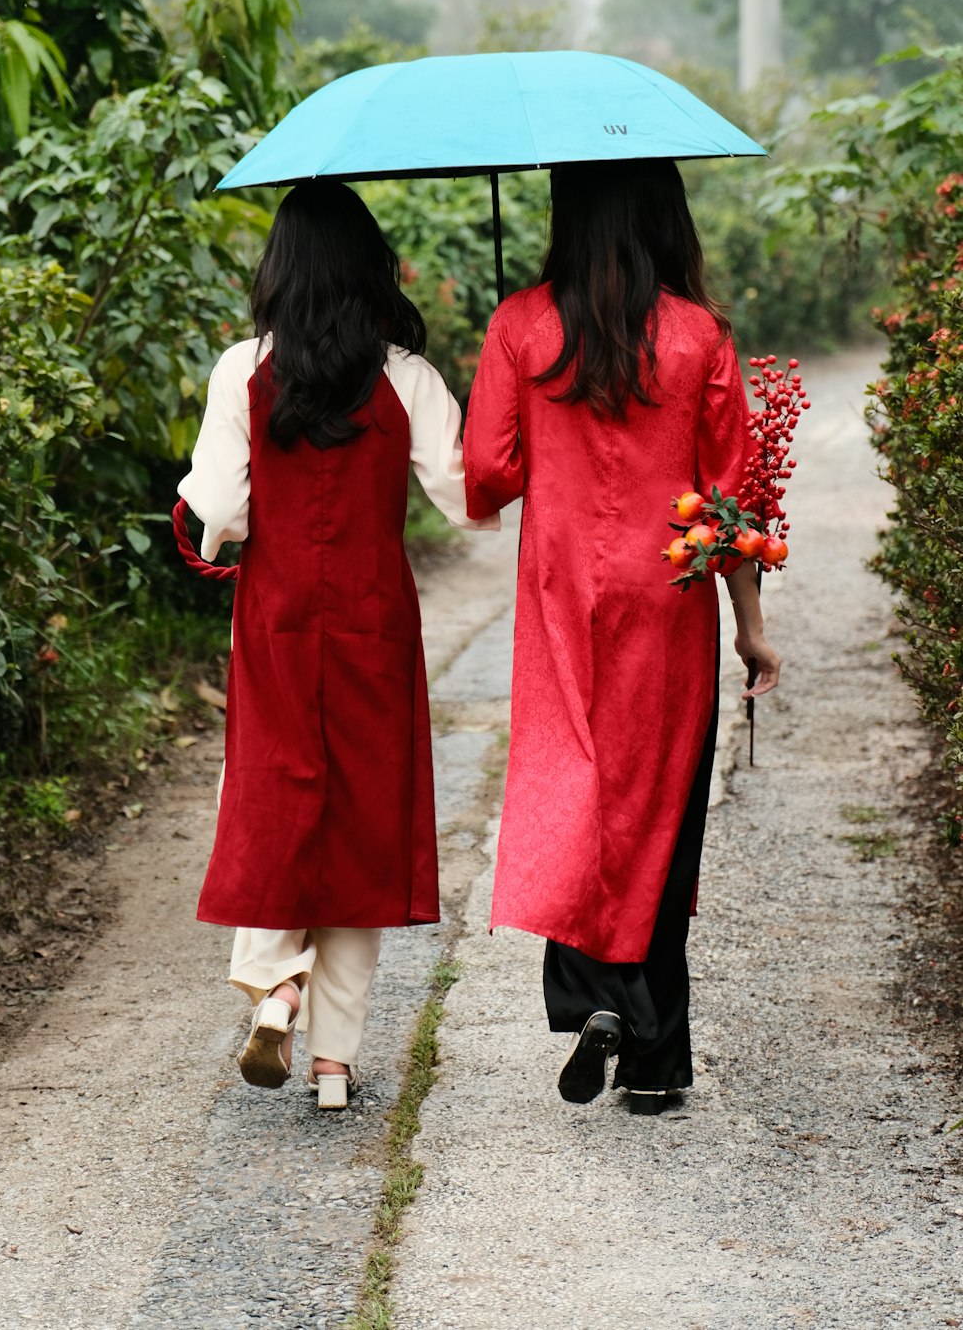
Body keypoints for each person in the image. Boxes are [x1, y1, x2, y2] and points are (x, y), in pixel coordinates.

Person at [463, 159, 780, 1114]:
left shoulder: (522, 324)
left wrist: (516, 370)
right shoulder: (700, 337)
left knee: (574, 791)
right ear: (663, 214)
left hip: (562, 600)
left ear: (565, 212)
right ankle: (652, 1058)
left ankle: (590, 994)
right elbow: (732, 505)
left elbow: (488, 469)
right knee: (659, 813)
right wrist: (753, 630)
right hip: (668, 602)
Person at [178, 179, 495, 1110]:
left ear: (278, 269)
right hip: (374, 621)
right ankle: (333, 1065)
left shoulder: (244, 368)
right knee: (362, 819)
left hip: (276, 620)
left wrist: (204, 528)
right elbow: (467, 498)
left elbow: (225, 511)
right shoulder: (406, 375)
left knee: (272, 798)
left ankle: (275, 983)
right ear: (371, 269)